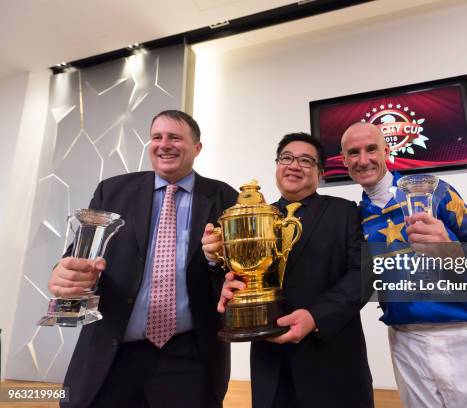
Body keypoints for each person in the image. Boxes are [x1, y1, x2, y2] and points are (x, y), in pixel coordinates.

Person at [48, 110, 238, 408]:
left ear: (197, 148)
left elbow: (236, 272)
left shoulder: (226, 197)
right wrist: (64, 273)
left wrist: (216, 261)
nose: (164, 144)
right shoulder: (112, 191)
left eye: (175, 137)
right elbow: (80, 254)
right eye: (156, 137)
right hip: (114, 351)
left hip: (190, 357)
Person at [340, 122, 467, 408]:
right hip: (406, 342)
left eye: (371, 149)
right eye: (353, 152)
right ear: (345, 161)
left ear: (386, 151)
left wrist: (451, 250)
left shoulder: (433, 190)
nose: (363, 160)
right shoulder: (355, 217)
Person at [202, 132, 374, 408]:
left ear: (320, 173)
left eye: (306, 160)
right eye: (286, 158)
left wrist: (315, 317)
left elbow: (364, 275)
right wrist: (226, 277)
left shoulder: (344, 212)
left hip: (332, 362)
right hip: (271, 366)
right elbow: (243, 276)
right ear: (277, 165)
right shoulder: (255, 218)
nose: (294, 165)